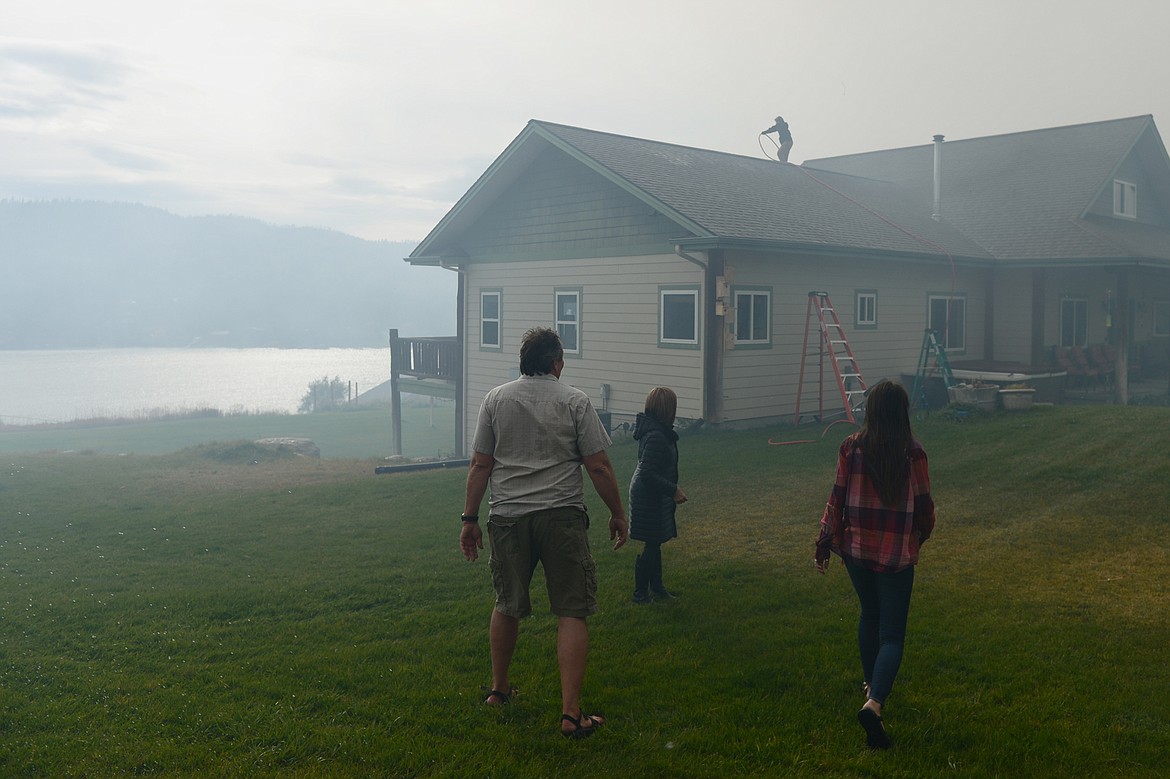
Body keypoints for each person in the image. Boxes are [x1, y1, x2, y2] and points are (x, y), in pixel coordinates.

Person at [460, 326, 629, 739]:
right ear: (556, 363)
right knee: (572, 610)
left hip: (508, 518)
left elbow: (481, 465)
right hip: (561, 516)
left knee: (506, 603)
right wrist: (617, 513)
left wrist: (469, 519)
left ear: (523, 362)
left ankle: (499, 691)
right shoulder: (575, 401)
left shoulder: (495, 400)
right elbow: (599, 466)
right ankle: (571, 716)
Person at [813, 379, 936, 750]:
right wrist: (921, 535)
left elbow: (836, 499)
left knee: (869, 615)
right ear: (902, 413)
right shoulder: (912, 452)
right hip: (896, 555)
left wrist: (824, 539)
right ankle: (875, 702)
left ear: (870, 411)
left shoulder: (851, 447)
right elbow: (925, 507)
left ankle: (871, 684)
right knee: (892, 634)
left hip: (857, 551)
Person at [628, 387, 687, 604]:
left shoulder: (659, 432)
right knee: (652, 543)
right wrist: (673, 490)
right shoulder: (655, 436)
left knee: (655, 542)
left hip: (654, 494)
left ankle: (657, 587)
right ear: (667, 409)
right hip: (648, 496)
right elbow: (647, 474)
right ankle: (640, 594)